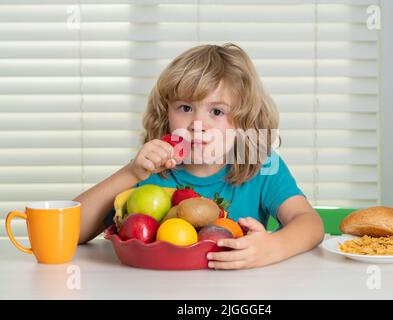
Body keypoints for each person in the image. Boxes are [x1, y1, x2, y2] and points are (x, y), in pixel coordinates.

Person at [74, 43, 324, 269]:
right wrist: (130, 174)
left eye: (216, 111)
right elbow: (70, 231)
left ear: (244, 123)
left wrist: (273, 247)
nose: (197, 124)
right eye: (185, 108)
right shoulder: (148, 169)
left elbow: (310, 224)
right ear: (166, 115)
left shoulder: (262, 166)